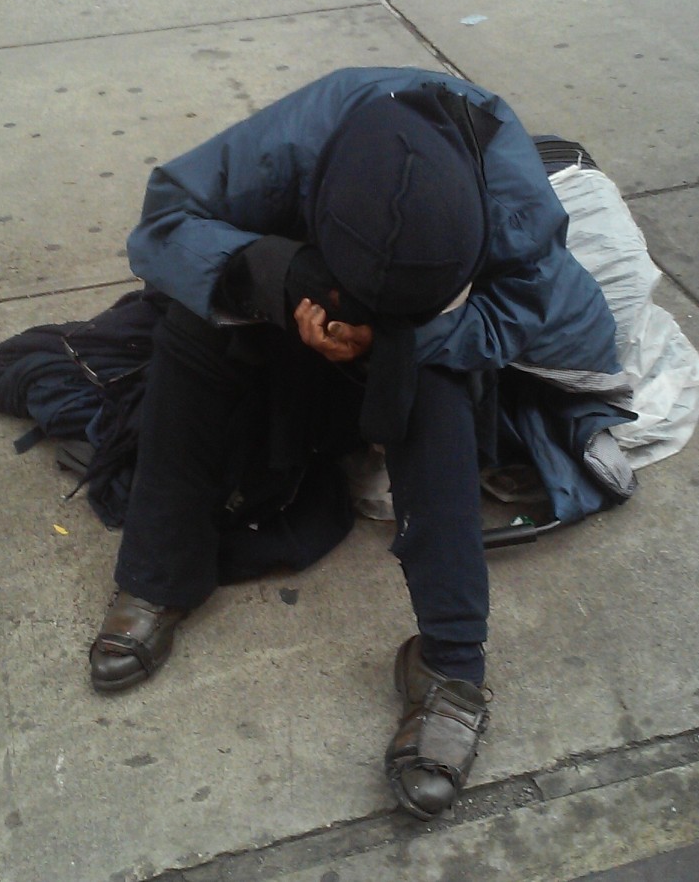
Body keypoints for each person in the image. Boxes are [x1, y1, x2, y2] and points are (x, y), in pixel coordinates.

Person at [86, 66, 636, 821]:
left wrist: (405, 338)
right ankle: (157, 573)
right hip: (291, 304)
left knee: (435, 387)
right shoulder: (290, 143)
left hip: (408, 344)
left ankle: (450, 668)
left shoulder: (505, 194)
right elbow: (161, 227)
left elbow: (551, 315)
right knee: (190, 326)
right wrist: (280, 278)